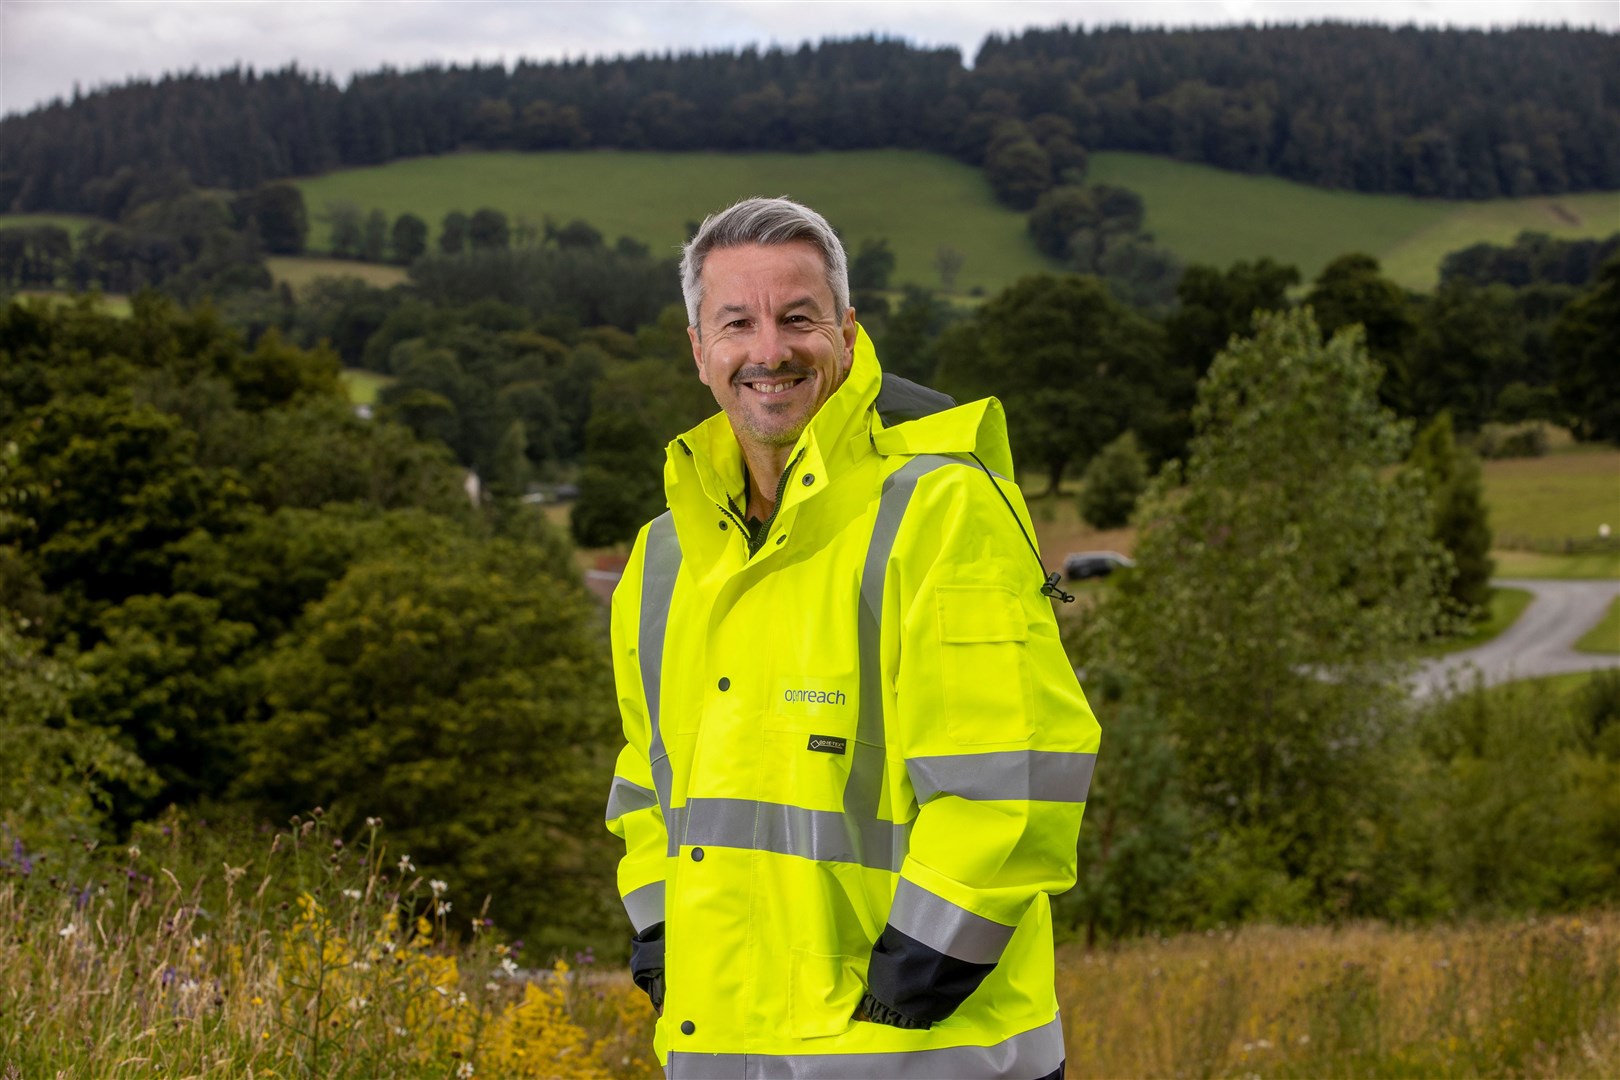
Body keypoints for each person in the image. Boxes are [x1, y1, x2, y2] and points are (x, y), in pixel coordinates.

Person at [605, 196, 1100, 1079]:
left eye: (799, 317)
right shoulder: (665, 554)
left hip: (924, 1054)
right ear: (697, 349)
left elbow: (1018, 769)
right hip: (721, 1046)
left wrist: (917, 975)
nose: (770, 350)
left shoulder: (943, 506)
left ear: (847, 330)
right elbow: (648, 780)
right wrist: (659, 931)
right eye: (736, 323)